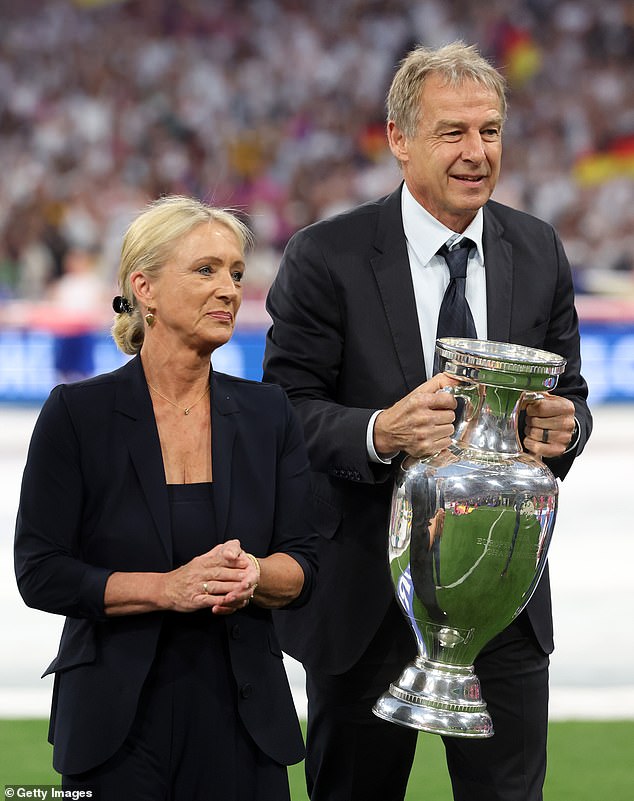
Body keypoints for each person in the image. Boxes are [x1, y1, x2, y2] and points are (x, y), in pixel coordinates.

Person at [263, 42, 592, 801]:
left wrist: (562, 428)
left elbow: (570, 398)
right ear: (398, 139)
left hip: (503, 601)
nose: (477, 152)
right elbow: (283, 415)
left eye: (490, 131)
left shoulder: (538, 249)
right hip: (366, 609)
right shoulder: (326, 256)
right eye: (453, 132)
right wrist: (381, 429)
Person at [14, 195, 318, 800]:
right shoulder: (78, 414)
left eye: (235, 271)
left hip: (243, 720)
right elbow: (41, 572)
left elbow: (306, 563)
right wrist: (167, 588)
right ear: (144, 288)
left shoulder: (268, 413)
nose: (229, 288)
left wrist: (255, 574)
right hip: (115, 728)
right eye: (205, 270)